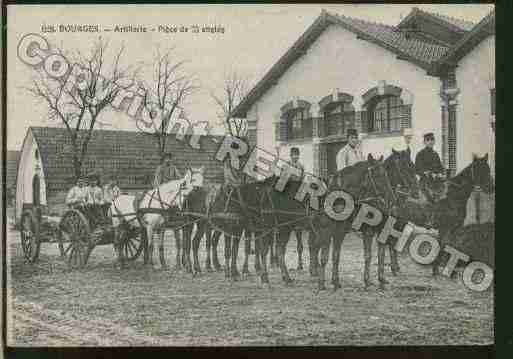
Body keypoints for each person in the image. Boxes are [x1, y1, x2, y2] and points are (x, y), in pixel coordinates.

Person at [415, 132, 446, 227]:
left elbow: (440, 167)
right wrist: (426, 173)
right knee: (425, 202)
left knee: (443, 199)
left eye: (432, 140)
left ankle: (439, 220)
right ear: (424, 142)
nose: (430, 142)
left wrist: (441, 174)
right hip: (425, 183)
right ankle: (428, 220)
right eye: (428, 140)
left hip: (436, 183)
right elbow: (417, 169)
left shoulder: (435, 154)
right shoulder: (420, 154)